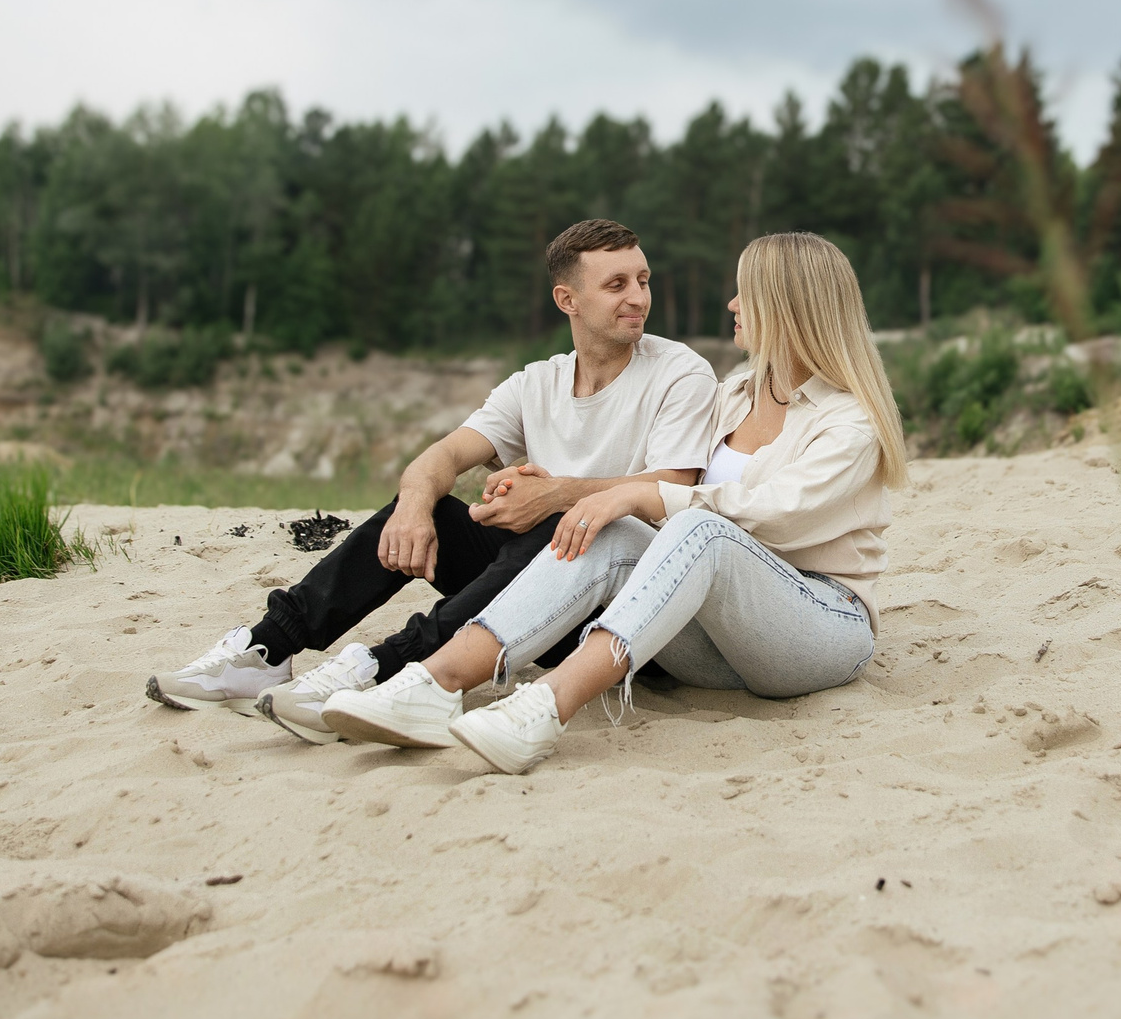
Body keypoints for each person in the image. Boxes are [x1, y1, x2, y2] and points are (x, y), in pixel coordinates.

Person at [317, 231, 908, 775]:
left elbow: (774, 511)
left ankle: (543, 709)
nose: (731, 304)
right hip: (718, 640)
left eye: (745, 293)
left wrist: (638, 494)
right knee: (613, 532)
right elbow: (669, 486)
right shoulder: (736, 393)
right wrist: (575, 492)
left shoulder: (850, 420)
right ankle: (433, 683)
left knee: (693, 527)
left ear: (790, 307)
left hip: (817, 627)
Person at [144, 219, 717, 742]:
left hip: (621, 606)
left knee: (560, 527)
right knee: (436, 511)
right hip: (531, 596)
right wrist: (415, 506)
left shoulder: (679, 373)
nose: (638, 297)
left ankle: (382, 667)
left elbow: (670, 487)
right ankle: (270, 647)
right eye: (617, 284)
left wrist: (557, 494)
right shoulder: (536, 383)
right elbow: (441, 457)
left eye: (642, 279)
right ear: (567, 299)